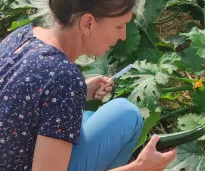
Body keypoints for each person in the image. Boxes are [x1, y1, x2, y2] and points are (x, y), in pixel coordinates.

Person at [0, 0, 178, 170]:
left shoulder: (23, 36)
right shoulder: (64, 78)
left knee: (111, 115)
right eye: (119, 26)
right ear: (88, 24)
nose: (123, 35)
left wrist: (81, 92)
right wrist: (140, 168)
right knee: (127, 116)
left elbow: (21, 102)